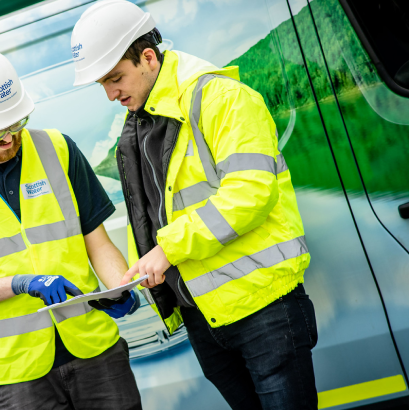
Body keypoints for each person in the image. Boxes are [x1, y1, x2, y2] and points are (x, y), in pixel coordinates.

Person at [70, 1, 318, 409]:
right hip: (202, 316)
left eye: (115, 78)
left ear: (148, 57)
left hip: (263, 308)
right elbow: (154, 213)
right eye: (102, 84)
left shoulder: (223, 97)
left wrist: (167, 250)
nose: (110, 93)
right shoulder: (140, 124)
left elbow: (250, 192)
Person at [0, 48, 142, 410]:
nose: (8, 138)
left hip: (94, 349)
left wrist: (119, 287)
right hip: (15, 373)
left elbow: (96, 243)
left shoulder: (58, 148)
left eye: (16, 122)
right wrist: (20, 283)